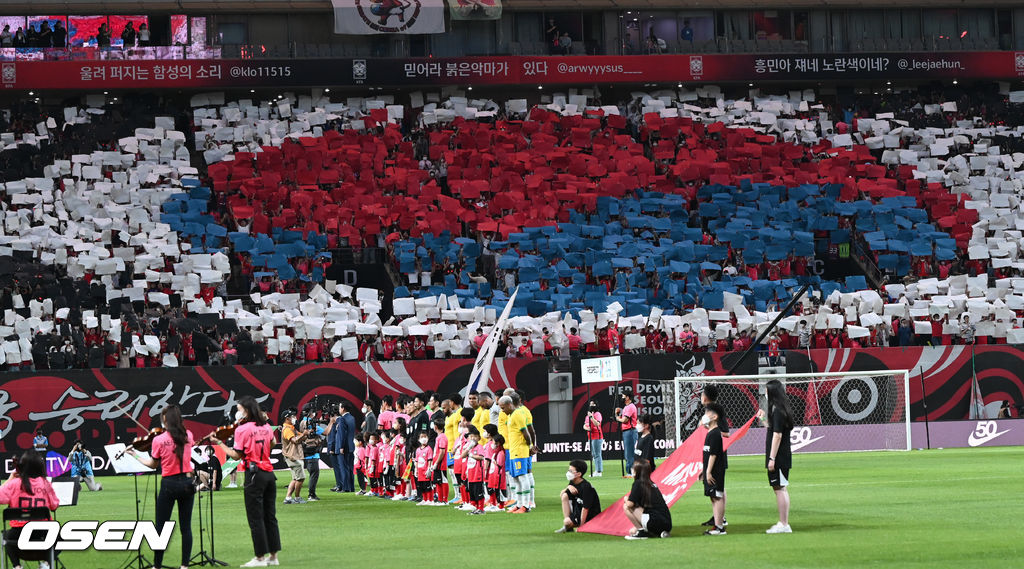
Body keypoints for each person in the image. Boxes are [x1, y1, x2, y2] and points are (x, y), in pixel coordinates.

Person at [210, 396, 281, 567]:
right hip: (268, 473)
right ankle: (273, 556)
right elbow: (273, 441)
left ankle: (259, 557)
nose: (238, 413)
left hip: (254, 474)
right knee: (270, 516)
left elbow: (236, 455)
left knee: (255, 517)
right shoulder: (265, 425)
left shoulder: (242, 429)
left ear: (246, 410)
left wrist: (219, 442)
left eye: (240, 409)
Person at [126, 404, 195, 569]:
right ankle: (185, 565)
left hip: (169, 483)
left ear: (166, 420)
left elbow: (152, 464)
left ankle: (157, 565)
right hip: (187, 482)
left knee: (161, 527)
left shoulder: (158, 440)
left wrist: (135, 454)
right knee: (186, 526)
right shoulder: (188, 435)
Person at [0, 451, 59, 569]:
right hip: (44, 534)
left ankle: (16, 566)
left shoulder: (15, 484)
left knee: (6, 535)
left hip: (17, 536)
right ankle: (47, 564)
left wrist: (10, 479)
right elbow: (54, 505)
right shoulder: (46, 484)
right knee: (61, 536)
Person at [757, 379, 794, 534]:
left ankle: (784, 523)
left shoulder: (778, 410)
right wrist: (764, 419)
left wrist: (772, 459)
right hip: (782, 456)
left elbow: (777, 435)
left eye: (766, 390)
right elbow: (773, 430)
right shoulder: (779, 409)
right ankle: (783, 523)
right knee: (780, 488)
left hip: (779, 457)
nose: (765, 393)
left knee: (780, 488)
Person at [500, 395, 534, 513]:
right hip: (514, 451)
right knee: (515, 478)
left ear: (510, 405)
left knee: (522, 477)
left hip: (520, 451)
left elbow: (526, 433)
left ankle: (526, 505)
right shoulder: (511, 416)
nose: (502, 410)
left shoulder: (518, 415)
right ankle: (519, 505)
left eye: (503, 408)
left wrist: (530, 446)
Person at [700, 384, 729, 527]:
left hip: (717, 455)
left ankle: (720, 520)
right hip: (709, 453)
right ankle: (718, 518)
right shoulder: (708, 413)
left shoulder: (716, 412)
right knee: (715, 491)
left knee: (719, 488)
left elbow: (727, 433)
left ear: (705, 396)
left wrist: (710, 429)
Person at [622, 459, 672, 539]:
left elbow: (629, 504)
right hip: (667, 524)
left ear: (636, 472)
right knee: (632, 530)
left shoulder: (638, 483)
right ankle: (653, 531)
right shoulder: (652, 484)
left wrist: (625, 499)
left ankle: (641, 531)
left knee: (626, 506)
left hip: (653, 521)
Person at [555, 459, 601, 533]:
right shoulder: (573, 482)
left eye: (571, 471)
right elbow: (561, 495)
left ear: (579, 474)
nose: (568, 473)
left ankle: (579, 526)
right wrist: (568, 487)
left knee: (567, 522)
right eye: (568, 470)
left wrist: (581, 527)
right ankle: (568, 527)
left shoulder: (586, 487)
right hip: (578, 512)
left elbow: (585, 509)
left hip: (590, 515)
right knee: (565, 496)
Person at [280, 408, 307, 504]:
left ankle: (288, 498)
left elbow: (300, 436)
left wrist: (306, 433)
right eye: (292, 416)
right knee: (301, 478)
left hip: (292, 456)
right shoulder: (287, 429)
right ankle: (297, 497)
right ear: (287, 418)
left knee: (295, 478)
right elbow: (294, 440)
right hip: (292, 456)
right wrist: (303, 434)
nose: (294, 418)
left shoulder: (291, 428)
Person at [299, 408, 325, 501]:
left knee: (312, 473)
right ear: (310, 413)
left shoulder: (302, 422)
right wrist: (331, 422)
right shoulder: (311, 424)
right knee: (314, 474)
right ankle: (311, 495)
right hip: (313, 451)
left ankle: (311, 494)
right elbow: (326, 432)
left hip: (307, 451)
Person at [615, 389, 639, 474]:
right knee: (628, 453)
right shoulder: (626, 407)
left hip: (630, 431)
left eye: (623, 396)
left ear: (627, 397)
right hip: (627, 431)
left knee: (630, 453)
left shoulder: (630, 407)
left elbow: (625, 420)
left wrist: (617, 418)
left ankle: (631, 471)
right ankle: (630, 471)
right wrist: (617, 414)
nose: (622, 398)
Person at [583, 399, 603, 477]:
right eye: (590, 404)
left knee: (597, 454)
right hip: (590, 436)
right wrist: (587, 428)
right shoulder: (587, 416)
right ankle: (596, 470)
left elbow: (597, 424)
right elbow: (585, 425)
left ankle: (599, 471)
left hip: (597, 436)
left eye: (593, 404)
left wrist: (591, 417)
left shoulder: (598, 414)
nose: (591, 406)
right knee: (593, 454)